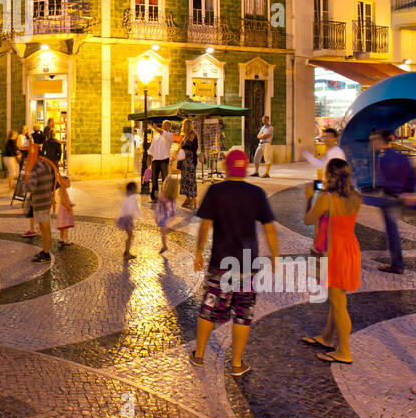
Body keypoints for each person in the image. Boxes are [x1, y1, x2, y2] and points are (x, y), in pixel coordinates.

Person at [188, 149, 280, 375]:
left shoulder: (216, 191)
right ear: (246, 167)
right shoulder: (256, 193)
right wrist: (275, 256)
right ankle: (237, 363)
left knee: (208, 308)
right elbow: (269, 228)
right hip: (247, 264)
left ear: (226, 167)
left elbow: (205, 225)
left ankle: (199, 355)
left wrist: (199, 251)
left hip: (221, 261)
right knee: (243, 312)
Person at [302, 158, 363, 365]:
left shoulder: (326, 198)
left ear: (330, 175)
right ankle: (327, 338)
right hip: (350, 248)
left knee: (338, 303)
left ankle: (344, 350)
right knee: (337, 296)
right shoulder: (356, 196)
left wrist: (309, 197)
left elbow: (308, 220)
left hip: (332, 251)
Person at [373, 130, 416, 274]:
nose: (373, 143)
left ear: (381, 141)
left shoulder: (384, 158)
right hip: (399, 197)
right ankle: (395, 260)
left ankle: (397, 264)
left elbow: (385, 181)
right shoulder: (401, 157)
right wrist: (409, 192)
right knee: (392, 230)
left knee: (392, 232)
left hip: (391, 197)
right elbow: (412, 175)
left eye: (375, 140)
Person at [154, 172, 181, 254]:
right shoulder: (172, 195)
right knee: (163, 231)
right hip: (168, 215)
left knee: (163, 231)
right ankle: (164, 245)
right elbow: (172, 208)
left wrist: (158, 196)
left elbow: (164, 204)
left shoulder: (165, 195)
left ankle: (164, 246)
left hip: (164, 215)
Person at [147, 120, 174, 202]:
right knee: (154, 180)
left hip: (164, 159)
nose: (166, 126)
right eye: (164, 125)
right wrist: (149, 158)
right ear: (162, 126)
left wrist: (156, 128)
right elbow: (151, 148)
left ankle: (165, 197)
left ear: (169, 127)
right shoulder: (156, 136)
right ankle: (154, 197)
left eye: (167, 125)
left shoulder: (169, 135)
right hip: (155, 159)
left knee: (165, 179)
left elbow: (163, 132)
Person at [178, 119, 200, 209]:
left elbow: (192, 147)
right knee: (185, 180)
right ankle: (187, 198)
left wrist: (183, 147)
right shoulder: (184, 136)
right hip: (184, 160)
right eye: (183, 124)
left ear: (189, 125)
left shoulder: (192, 135)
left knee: (191, 180)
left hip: (190, 160)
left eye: (185, 125)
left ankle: (193, 199)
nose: (184, 126)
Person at [117, 181, 141, 261]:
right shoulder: (132, 198)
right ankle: (126, 253)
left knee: (130, 236)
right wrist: (137, 215)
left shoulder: (127, 196)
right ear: (133, 189)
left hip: (124, 218)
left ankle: (127, 251)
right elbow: (133, 208)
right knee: (130, 236)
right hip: (127, 219)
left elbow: (123, 204)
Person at [54, 172, 75, 248]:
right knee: (65, 226)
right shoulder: (63, 191)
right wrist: (69, 206)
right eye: (68, 182)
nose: (70, 183)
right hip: (65, 210)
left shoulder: (62, 190)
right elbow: (63, 201)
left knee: (62, 225)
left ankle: (61, 238)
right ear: (64, 183)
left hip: (62, 210)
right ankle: (66, 239)